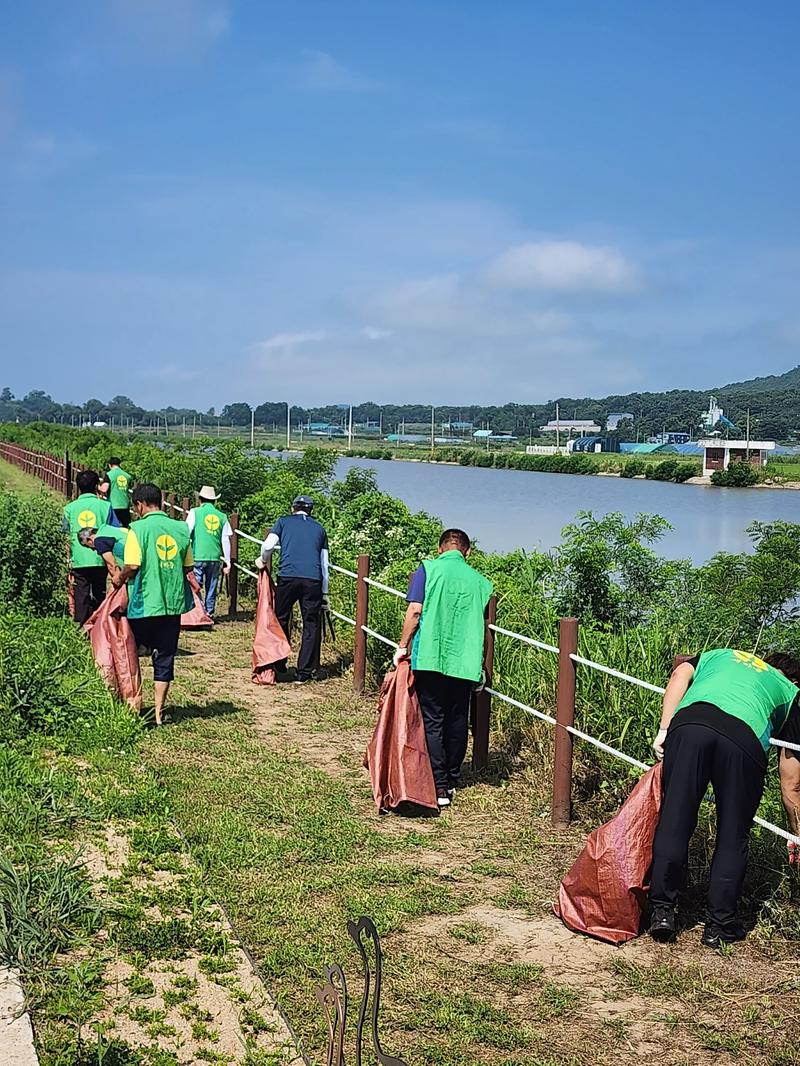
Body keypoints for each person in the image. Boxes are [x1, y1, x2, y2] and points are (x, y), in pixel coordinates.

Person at [648, 648, 800, 948]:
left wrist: (664, 729)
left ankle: (662, 912)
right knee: (733, 834)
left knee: (676, 818)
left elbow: (679, 674)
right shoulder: (790, 692)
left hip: (691, 724)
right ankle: (719, 925)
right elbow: (791, 781)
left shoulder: (722, 654)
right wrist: (797, 833)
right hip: (743, 742)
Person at [393, 528, 494, 809]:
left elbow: (415, 611)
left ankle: (438, 784)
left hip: (431, 657)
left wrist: (402, 646)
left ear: (440, 549)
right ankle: (451, 778)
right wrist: (481, 665)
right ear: (467, 552)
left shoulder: (428, 569)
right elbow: (486, 629)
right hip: (465, 662)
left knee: (433, 720)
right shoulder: (482, 583)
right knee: (458, 720)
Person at [112, 483, 199, 725]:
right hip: (171, 604)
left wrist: (119, 578)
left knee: (132, 655)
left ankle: (134, 706)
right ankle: (159, 713)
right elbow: (188, 566)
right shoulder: (181, 529)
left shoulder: (137, 529)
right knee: (164, 658)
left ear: (139, 504)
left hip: (143, 604)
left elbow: (132, 565)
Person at [257, 495, 329, 684]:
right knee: (310, 624)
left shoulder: (283, 522)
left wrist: (263, 560)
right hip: (312, 579)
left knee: (280, 618)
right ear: (310, 511)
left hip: (288, 576)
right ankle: (303, 672)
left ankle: (279, 662)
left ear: (293, 508)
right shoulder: (320, 529)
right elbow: (324, 565)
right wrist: (325, 592)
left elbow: (268, 545)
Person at [63, 470, 119, 625]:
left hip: (78, 559)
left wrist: (68, 559)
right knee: (100, 591)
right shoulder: (106, 506)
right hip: (101, 557)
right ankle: (99, 624)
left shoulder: (69, 508)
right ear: (96, 486)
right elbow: (115, 530)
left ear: (77, 486)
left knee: (81, 592)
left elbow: (65, 535)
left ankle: (81, 625)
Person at [185, 486, 232, 618]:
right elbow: (225, 540)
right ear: (214, 501)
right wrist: (227, 561)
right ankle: (209, 613)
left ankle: (197, 613)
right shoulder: (222, 516)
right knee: (212, 586)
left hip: (198, 556)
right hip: (215, 557)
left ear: (200, 499)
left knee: (196, 585)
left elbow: (187, 532)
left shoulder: (195, 512)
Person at [107, 457, 134, 526]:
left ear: (110, 465)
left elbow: (105, 489)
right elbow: (130, 487)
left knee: (113, 526)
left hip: (113, 505)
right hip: (125, 504)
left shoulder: (109, 475)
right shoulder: (127, 476)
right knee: (125, 527)